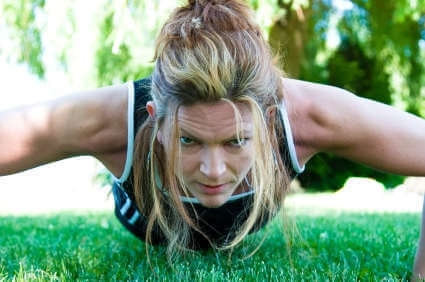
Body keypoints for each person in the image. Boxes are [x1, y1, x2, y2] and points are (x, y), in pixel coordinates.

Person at [0, 0, 424, 277]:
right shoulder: (109, 121)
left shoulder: (311, 116)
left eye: (237, 141)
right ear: (156, 121)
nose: (214, 171)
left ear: (270, 123)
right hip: (148, 225)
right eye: (189, 141)